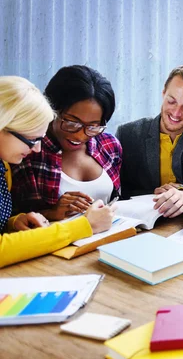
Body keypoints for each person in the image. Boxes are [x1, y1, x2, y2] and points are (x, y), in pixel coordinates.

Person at [0, 76, 114, 268]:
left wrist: (14, 222)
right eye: (30, 140)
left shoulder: (4, 166)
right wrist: (84, 226)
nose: (36, 149)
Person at [11, 65, 122, 220]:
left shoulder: (109, 145)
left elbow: (118, 201)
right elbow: (11, 221)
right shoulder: (27, 152)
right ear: (51, 109)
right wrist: (52, 214)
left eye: (93, 126)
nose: (80, 135)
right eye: (72, 123)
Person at [116, 65, 183, 217]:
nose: (176, 113)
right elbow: (117, 190)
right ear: (163, 93)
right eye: (171, 101)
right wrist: (157, 194)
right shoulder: (128, 134)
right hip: (140, 221)